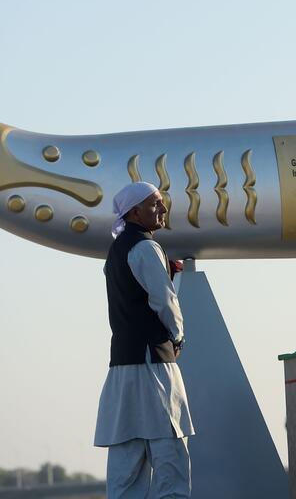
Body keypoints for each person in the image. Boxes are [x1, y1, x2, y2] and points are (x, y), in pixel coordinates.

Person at [94, 182, 194, 498]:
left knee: (127, 463)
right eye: (155, 204)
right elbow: (165, 300)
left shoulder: (115, 250)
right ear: (134, 212)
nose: (162, 209)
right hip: (153, 365)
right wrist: (177, 336)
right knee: (170, 457)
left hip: (122, 367)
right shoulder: (146, 248)